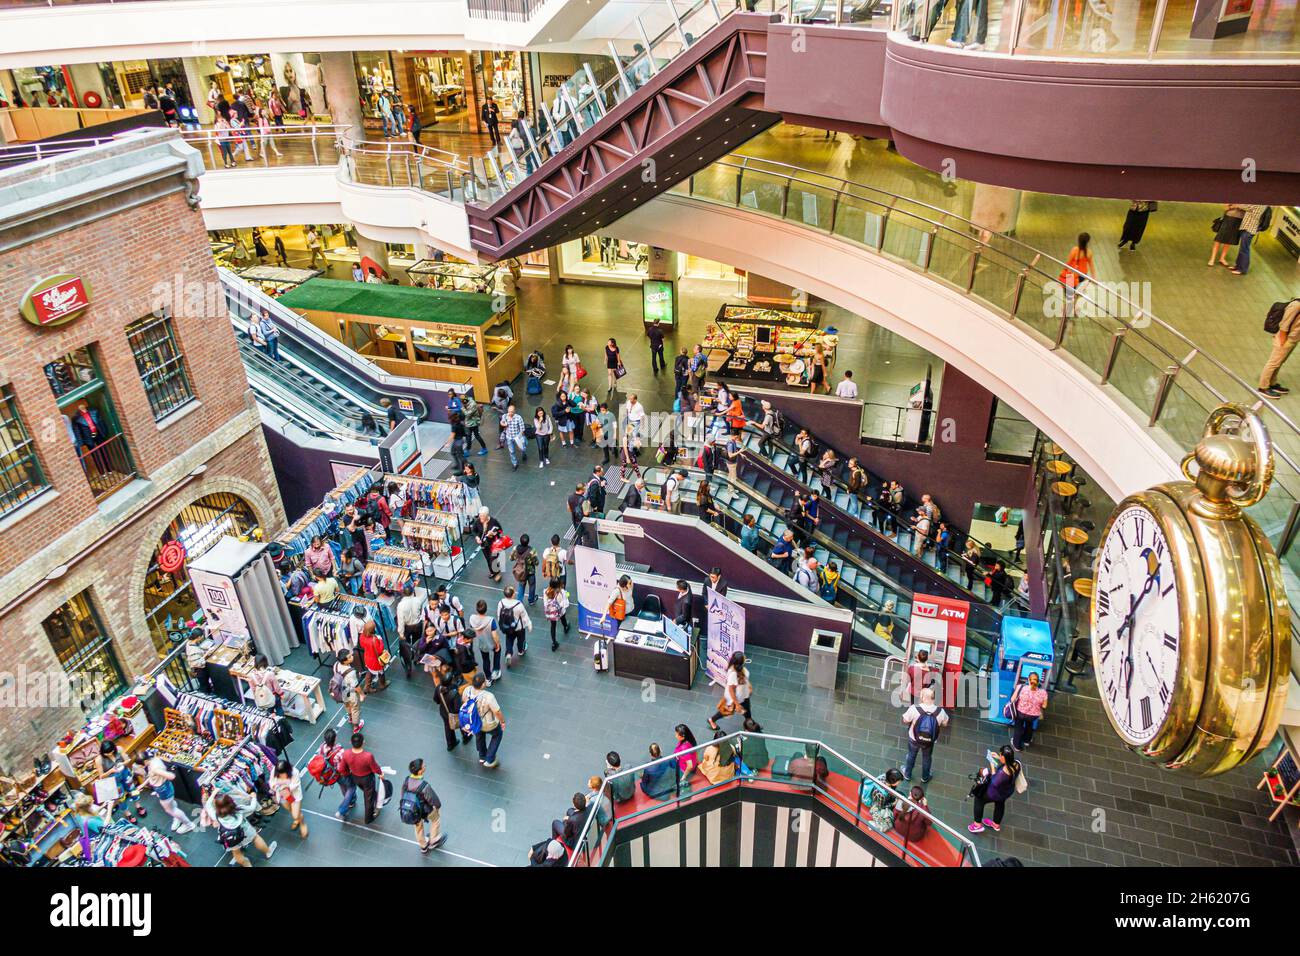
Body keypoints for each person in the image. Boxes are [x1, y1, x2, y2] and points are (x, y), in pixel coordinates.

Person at [206, 789, 278, 866]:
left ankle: (247, 864)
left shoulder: (216, 815)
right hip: (246, 831)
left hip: (230, 837)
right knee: (256, 838)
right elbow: (252, 808)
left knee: (236, 853)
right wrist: (253, 797)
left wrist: (213, 794)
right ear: (230, 802)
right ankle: (268, 852)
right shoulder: (238, 809)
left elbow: (208, 805)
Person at [969, 745, 1021, 834]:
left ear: (1004, 758)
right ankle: (996, 824)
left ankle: (977, 825)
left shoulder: (1002, 773)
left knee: (979, 800)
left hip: (994, 793)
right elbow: (1008, 766)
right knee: (1000, 804)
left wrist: (992, 764)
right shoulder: (1016, 764)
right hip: (1006, 791)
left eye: (1000, 755)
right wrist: (998, 758)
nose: (999, 756)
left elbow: (994, 780)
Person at [902, 687, 949, 783]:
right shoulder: (940, 711)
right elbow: (945, 724)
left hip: (914, 738)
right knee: (927, 758)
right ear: (933, 698)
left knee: (911, 755)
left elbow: (905, 720)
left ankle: (907, 774)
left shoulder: (915, 708)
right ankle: (925, 777)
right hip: (929, 741)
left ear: (923, 698)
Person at [337, 732, 384, 825]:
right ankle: (368, 818)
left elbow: (341, 769)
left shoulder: (346, 754)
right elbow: (375, 768)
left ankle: (375, 796)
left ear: (351, 742)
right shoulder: (368, 756)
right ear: (363, 742)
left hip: (355, 777)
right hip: (367, 779)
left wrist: (349, 774)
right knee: (368, 799)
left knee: (367, 792)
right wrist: (381, 773)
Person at [401, 758, 445, 852]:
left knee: (418, 826)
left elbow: (403, 794)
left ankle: (423, 846)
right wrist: (437, 806)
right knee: (435, 819)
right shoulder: (424, 785)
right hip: (425, 810)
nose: (425, 766)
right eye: (424, 766)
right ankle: (433, 840)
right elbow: (434, 800)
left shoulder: (406, 780)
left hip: (413, 810)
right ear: (420, 771)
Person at [142, 756, 195, 833]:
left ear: (145, 761)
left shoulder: (154, 768)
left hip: (163, 789)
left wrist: (164, 775)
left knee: (170, 810)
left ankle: (189, 825)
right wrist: (143, 784)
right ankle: (177, 818)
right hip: (165, 787)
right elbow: (152, 775)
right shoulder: (154, 760)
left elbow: (171, 776)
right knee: (171, 805)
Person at [1259, 299, 1300, 397]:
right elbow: (1284, 325)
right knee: (1273, 363)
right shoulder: (1296, 305)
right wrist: (1282, 343)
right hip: (1285, 340)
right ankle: (1263, 387)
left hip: (1293, 339)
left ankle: (1272, 383)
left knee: (1279, 362)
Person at [466, 673, 505, 768]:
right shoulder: (489, 696)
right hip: (489, 723)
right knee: (497, 735)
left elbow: (465, 703)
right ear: (483, 684)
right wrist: (502, 722)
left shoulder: (467, 690)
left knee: (479, 735)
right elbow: (497, 711)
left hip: (475, 721)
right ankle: (490, 759)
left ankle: (482, 756)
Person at [709, 650, 752, 730]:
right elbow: (731, 690)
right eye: (743, 658)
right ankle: (712, 720)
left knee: (747, 711)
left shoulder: (740, 669)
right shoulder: (733, 674)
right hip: (736, 698)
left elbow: (744, 680)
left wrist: (749, 687)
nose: (745, 658)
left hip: (743, 695)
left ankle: (749, 724)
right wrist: (737, 704)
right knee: (726, 712)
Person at [270, 758, 309, 840]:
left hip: (293, 795)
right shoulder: (274, 770)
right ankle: (298, 819)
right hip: (283, 794)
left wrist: (285, 787)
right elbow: (271, 782)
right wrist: (276, 787)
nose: (280, 776)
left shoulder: (295, 772)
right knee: (290, 809)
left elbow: (295, 785)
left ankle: (302, 823)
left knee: (295, 814)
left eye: (283, 773)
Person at [1009, 670, 1049, 750]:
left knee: (1019, 727)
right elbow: (1044, 706)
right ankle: (1026, 741)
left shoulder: (1021, 687)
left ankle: (1017, 745)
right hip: (1033, 715)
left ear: (1028, 680)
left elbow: (1012, 699)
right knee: (1029, 726)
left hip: (1020, 713)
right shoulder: (1043, 692)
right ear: (1038, 681)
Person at [1059, 232, 1094, 317]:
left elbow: (1068, 263)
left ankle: (1066, 308)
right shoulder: (1089, 252)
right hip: (1082, 276)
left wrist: (1062, 273)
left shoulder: (1075, 250)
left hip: (1072, 275)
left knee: (1069, 294)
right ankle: (1073, 307)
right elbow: (1091, 266)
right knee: (1077, 294)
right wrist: (1094, 277)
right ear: (1087, 242)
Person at [497, 585, 532, 666]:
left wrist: (501, 624)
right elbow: (524, 616)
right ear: (513, 594)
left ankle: (509, 653)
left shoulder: (501, 603)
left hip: (507, 627)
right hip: (519, 627)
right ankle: (520, 651)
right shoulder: (518, 604)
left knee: (509, 639)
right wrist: (529, 624)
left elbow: (499, 615)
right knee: (521, 639)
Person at [468, 599, 502, 682]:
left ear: (477, 609)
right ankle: (496, 671)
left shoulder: (472, 618)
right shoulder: (491, 620)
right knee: (497, 652)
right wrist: (497, 644)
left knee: (485, 660)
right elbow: (494, 635)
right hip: (492, 642)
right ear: (486, 609)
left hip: (482, 643)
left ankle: (488, 678)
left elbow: (472, 627)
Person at [1233, 204, 1270, 275]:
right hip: (1248, 229)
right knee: (1243, 249)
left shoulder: (1258, 205)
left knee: (1244, 250)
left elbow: (1244, 206)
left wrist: (1236, 205)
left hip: (1249, 230)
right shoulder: (1262, 205)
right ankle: (1238, 266)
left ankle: (1242, 269)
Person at [333, 648, 364, 731]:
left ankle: (350, 718)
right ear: (345, 661)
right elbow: (356, 686)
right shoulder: (350, 672)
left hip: (341, 691)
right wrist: (361, 694)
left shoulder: (336, 665)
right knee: (355, 708)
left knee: (346, 705)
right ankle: (356, 727)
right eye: (350, 657)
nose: (352, 657)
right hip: (350, 692)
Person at [472, 506, 505, 581]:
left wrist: (493, 533)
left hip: (493, 544)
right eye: (480, 515)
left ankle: (497, 573)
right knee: (488, 558)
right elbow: (474, 530)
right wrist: (477, 537)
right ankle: (492, 571)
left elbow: (500, 531)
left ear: (487, 515)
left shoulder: (493, 521)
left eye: (483, 516)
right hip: (484, 544)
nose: (481, 517)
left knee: (493, 559)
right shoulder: (478, 522)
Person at [1208, 203, 1245, 267]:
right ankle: (1212, 259)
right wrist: (1234, 206)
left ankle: (1222, 258)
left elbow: (1248, 208)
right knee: (1219, 239)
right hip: (1228, 218)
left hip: (1239, 220)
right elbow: (1225, 207)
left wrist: (1238, 206)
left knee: (1229, 240)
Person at [358, 619, 389, 693]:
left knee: (369, 671)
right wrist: (380, 640)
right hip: (375, 661)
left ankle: (367, 687)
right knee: (381, 672)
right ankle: (382, 684)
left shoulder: (362, 636)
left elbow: (362, 645)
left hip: (367, 658)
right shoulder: (374, 640)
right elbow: (379, 651)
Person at [510, 534, 540, 604]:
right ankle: (531, 600)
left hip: (521, 571)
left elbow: (511, 558)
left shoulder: (515, 548)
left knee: (521, 585)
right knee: (532, 585)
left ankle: (519, 601)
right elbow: (536, 562)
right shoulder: (532, 551)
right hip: (530, 571)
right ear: (528, 542)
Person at [542, 578, 571, 650]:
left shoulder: (546, 591)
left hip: (552, 614)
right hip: (560, 611)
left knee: (553, 626)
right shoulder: (561, 592)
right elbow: (565, 603)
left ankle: (554, 643)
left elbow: (545, 604)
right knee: (563, 619)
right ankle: (566, 627)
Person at [501, 403, 527, 469]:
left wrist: (519, 439)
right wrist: (504, 424)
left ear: (514, 411)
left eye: (512, 412)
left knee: (522, 448)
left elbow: (522, 429)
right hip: (509, 437)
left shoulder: (518, 418)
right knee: (511, 451)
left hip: (517, 436)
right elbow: (501, 422)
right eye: (509, 411)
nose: (510, 413)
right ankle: (515, 463)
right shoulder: (505, 416)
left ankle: (524, 454)